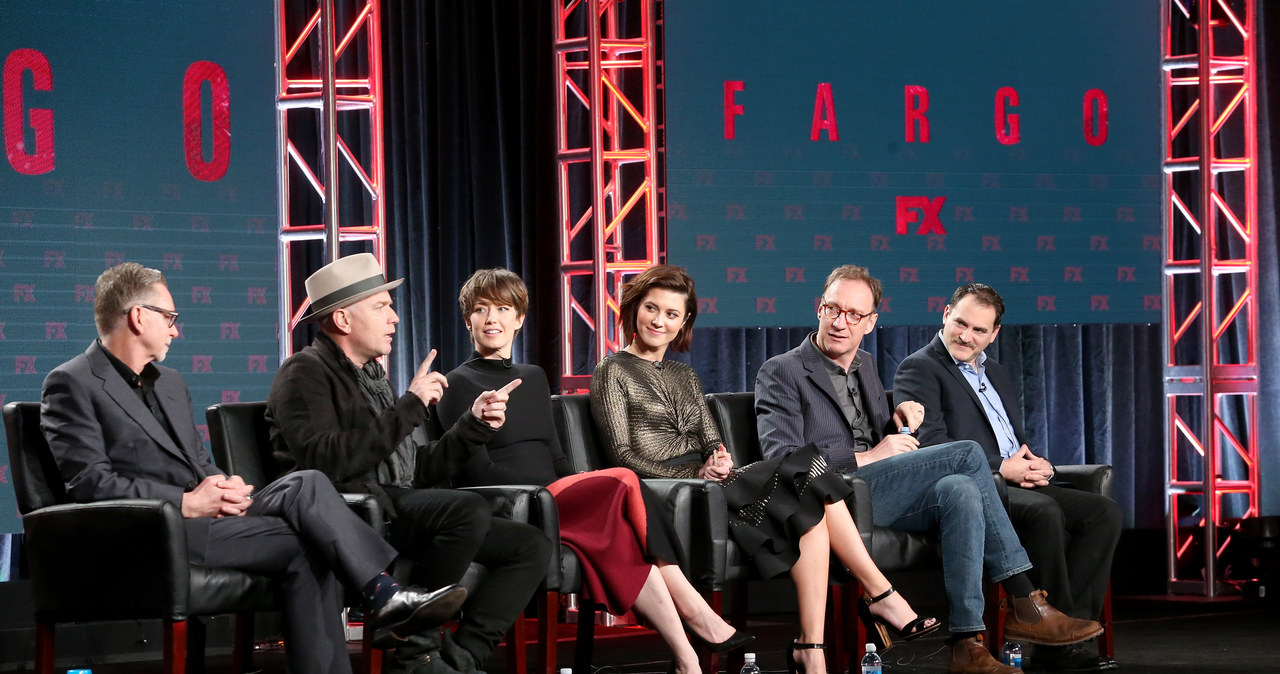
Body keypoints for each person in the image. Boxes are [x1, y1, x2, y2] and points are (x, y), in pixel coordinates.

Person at [40, 262, 467, 674]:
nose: (176, 328)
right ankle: (382, 594)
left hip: (208, 521)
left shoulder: (170, 382)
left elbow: (197, 463)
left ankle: (382, 596)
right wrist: (187, 502)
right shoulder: (73, 382)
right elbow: (90, 483)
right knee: (312, 540)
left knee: (307, 483)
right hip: (150, 532)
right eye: (169, 316)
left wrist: (221, 485)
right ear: (137, 316)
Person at [588, 264, 941, 674]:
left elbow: (710, 439)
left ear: (683, 322)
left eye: (671, 314)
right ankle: (880, 594)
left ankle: (812, 649)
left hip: (714, 483)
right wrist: (698, 475)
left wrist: (718, 459)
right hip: (667, 493)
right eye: (652, 309)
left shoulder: (684, 373)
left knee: (808, 496)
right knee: (806, 466)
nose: (659, 321)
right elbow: (621, 457)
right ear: (634, 309)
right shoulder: (611, 370)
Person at [755, 264, 1105, 674]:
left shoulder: (865, 364)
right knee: (967, 454)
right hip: (831, 498)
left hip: (877, 493)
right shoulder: (782, 369)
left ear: (871, 322)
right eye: (833, 309)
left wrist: (895, 416)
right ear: (819, 308)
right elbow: (781, 459)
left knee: (961, 489)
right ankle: (1025, 599)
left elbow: (870, 432)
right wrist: (868, 457)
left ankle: (966, 643)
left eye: (854, 314)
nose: (840, 322)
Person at [434, 267, 753, 674]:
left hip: (556, 493)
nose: (492, 319)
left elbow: (556, 454)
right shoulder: (457, 383)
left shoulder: (532, 377)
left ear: (519, 319)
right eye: (481, 310)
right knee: (624, 478)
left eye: (503, 309)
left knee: (626, 537)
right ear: (468, 320)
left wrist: (573, 484)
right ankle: (695, 610)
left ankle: (687, 660)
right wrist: (547, 497)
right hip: (515, 506)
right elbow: (477, 474)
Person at [266, 254, 551, 674]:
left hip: (396, 502)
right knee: (465, 510)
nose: (394, 318)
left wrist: (472, 426)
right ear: (343, 319)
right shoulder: (303, 373)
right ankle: (415, 652)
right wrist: (412, 405)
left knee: (530, 546)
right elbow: (327, 462)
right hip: (352, 513)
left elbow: (416, 470)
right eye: (381, 307)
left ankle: (461, 658)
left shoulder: (372, 376)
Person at [892, 283, 1122, 673]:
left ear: (994, 334)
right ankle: (1054, 640)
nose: (966, 336)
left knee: (1104, 513)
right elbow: (932, 446)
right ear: (945, 314)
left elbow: (1013, 440)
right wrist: (1002, 467)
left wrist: (1040, 465)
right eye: (961, 323)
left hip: (1014, 479)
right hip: (973, 487)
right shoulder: (920, 367)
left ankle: (1067, 634)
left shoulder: (995, 372)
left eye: (979, 330)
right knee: (1044, 512)